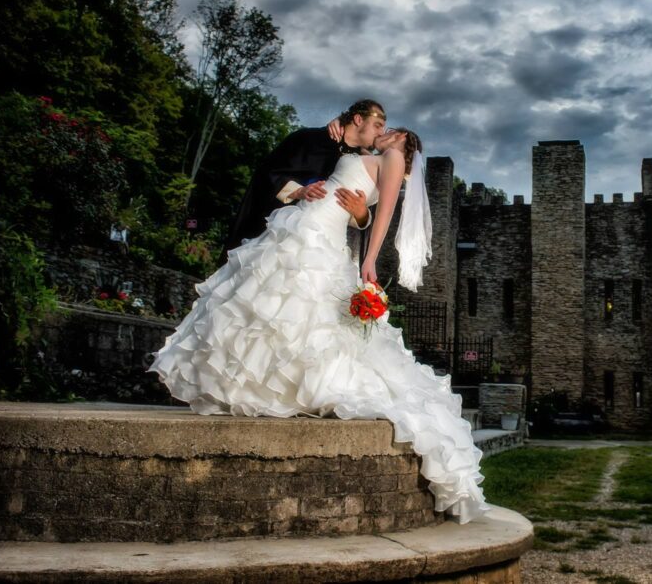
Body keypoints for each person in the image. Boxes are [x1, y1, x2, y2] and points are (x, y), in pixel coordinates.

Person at [150, 128, 488, 524]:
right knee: (271, 309)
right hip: (303, 224)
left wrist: (370, 260)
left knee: (297, 312)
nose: (383, 133)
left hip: (320, 234)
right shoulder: (360, 152)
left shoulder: (394, 157)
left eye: (391, 130)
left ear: (404, 141)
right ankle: (259, 384)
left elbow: (382, 217)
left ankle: (289, 385)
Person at [223, 99, 388, 254]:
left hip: (319, 247)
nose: (381, 133)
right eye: (378, 125)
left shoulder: (360, 164)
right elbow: (268, 173)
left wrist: (361, 215)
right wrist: (298, 191)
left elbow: (356, 206)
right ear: (359, 119)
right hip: (274, 236)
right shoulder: (308, 139)